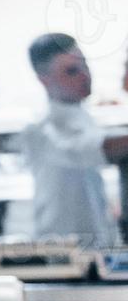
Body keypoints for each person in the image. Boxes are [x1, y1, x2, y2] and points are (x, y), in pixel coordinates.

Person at [19, 33, 128, 248]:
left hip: (96, 247)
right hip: (60, 251)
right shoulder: (41, 130)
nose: (85, 76)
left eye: (85, 66)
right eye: (72, 71)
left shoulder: (84, 117)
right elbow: (86, 149)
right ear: (44, 79)